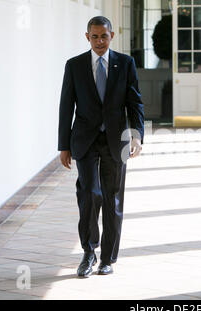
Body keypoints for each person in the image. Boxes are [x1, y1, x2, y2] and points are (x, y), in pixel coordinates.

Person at [58, 16, 145, 277]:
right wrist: (64, 145)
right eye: (94, 37)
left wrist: (137, 135)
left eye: (103, 36)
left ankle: (107, 258)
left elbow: (135, 103)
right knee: (89, 194)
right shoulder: (74, 65)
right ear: (87, 37)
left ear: (112, 35)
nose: (99, 41)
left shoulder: (126, 63)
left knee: (112, 198)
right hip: (84, 140)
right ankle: (88, 253)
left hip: (116, 140)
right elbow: (66, 107)